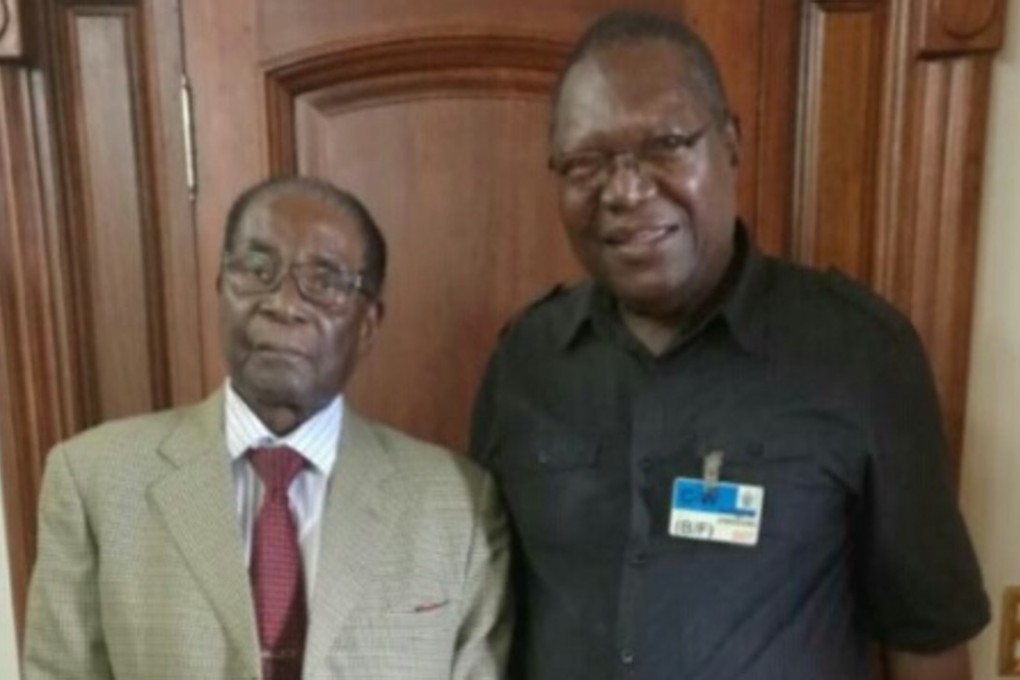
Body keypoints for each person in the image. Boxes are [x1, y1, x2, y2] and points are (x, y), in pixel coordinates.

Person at [470, 10, 988, 680]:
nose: (625, 190)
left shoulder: (860, 356)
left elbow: (929, 639)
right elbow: (479, 612)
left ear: (731, 143)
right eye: (585, 162)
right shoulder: (525, 363)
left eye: (665, 145)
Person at [24, 176, 511, 679]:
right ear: (219, 290)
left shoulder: (457, 504)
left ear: (367, 323)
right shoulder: (93, 479)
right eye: (257, 270)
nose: (283, 304)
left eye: (324, 283)